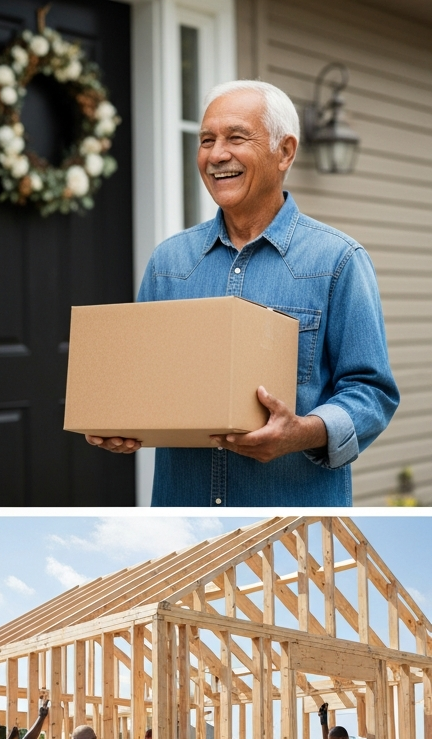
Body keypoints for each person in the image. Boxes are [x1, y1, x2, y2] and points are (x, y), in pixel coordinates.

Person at [86, 79, 398, 506]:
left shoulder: (338, 260)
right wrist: (117, 419)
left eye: (236, 138)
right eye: (207, 140)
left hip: (292, 518)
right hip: (182, 514)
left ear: (284, 152)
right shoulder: (169, 263)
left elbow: (371, 392)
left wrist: (302, 433)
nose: (216, 155)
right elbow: (139, 383)